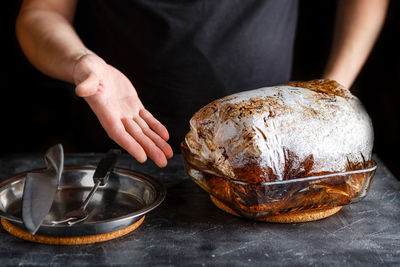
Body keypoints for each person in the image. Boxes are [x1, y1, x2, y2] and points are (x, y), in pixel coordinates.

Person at [16, 0, 389, 168]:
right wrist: (82, 63)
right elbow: (41, 12)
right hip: (121, 152)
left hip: (269, 159)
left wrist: (327, 94)